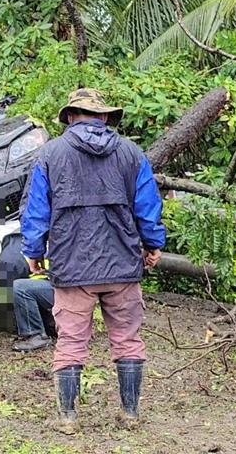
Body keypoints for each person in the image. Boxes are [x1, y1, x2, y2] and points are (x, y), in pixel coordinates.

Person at [21, 88, 166, 433]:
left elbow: (36, 211)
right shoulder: (131, 154)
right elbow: (148, 206)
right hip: (122, 266)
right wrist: (153, 244)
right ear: (103, 117)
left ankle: (68, 419)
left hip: (73, 268)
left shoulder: (50, 155)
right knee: (128, 339)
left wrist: (34, 251)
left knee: (70, 343)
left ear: (71, 116)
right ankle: (130, 413)